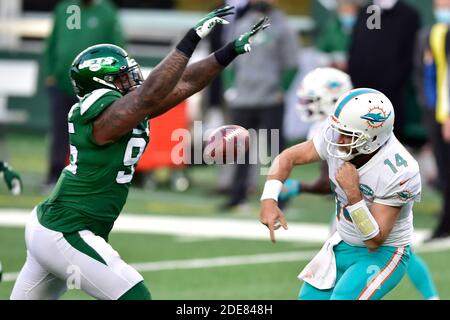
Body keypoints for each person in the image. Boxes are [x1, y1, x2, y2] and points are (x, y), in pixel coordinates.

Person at [10, 6, 270, 300]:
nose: (132, 81)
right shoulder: (98, 114)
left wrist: (228, 52)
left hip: (57, 227)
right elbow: (148, 95)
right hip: (65, 229)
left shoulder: (128, 107)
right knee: (136, 296)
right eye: (123, 78)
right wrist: (189, 40)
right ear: (101, 85)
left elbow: (185, 82)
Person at [280, 69, 439, 300]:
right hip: (347, 228)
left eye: (313, 100)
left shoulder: (398, 167)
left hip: (380, 239)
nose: (339, 140)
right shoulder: (332, 131)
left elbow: (375, 240)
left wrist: (352, 193)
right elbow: (295, 160)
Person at [222, 0, 299, 209]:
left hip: (270, 97)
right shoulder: (242, 24)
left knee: (274, 152)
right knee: (239, 149)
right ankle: (237, 194)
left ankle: (280, 197)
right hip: (244, 97)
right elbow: (230, 57)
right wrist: (231, 88)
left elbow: (292, 63)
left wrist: (282, 90)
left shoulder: (283, 26)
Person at [43, 0, 125, 191]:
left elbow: (117, 48)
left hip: (93, 87)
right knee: (59, 132)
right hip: (62, 82)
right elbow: (52, 42)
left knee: (94, 134)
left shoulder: (107, 13)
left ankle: (90, 179)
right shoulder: (63, 8)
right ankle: (53, 175)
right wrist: (50, 74)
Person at [348, 0, 421, 144]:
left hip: (393, 92)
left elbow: (410, 53)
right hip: (365, 91)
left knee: (390, 139)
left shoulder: (408, 15)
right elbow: (359, 46)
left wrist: (395, 80)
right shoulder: (368, 11)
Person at [414, 0, 450, 241]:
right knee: (444, 170)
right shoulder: (431, 33)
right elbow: (423, 72)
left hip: (445, 113)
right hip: (435, 111)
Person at [316, 0, 361, 71]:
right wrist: (332, 63)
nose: (348, 14)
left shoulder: (364, 29)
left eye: (350, 11)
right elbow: (321, 53)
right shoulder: (332, 28)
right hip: (336, 72)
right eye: (344, 10)